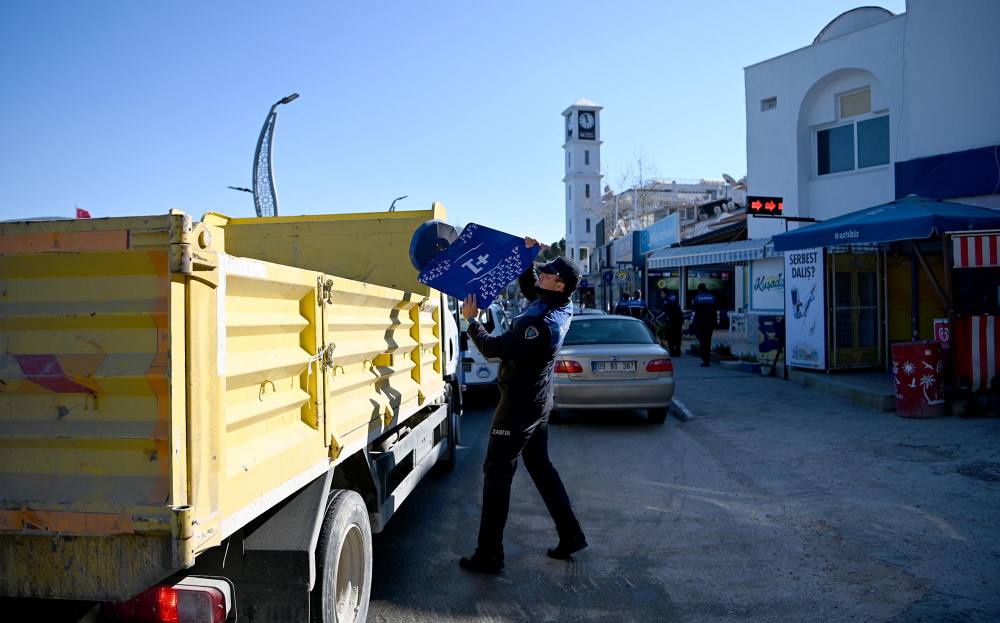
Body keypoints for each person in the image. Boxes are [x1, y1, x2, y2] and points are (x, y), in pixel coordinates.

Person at [459, 240, 587, 574]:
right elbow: (532, 285)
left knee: (497, 474)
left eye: (549, 272)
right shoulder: (558, 303)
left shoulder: (539, 324)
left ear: (560, 284)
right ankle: (571, 535)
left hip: (519, 406)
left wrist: (471, 322)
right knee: (541, 468)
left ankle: (489, 555)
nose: (543, 274)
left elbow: (491, 349)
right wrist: (526, 256)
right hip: (539, 401)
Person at [691, 283, 718, 367]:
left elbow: (694, 313)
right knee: (708, 341)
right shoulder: (713, 298)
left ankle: (705, 360)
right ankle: (707, 359)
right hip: (710, 324)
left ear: (699, 290)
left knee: (702, 342)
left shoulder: (697, 298)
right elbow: (716, 312)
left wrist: (692, 324)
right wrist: (716, 323)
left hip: (700, 324)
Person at [661, 291, 684, 357]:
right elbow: (681, 317)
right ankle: (677, 351)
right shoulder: (677, 307)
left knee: (670, 338)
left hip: (671, 325)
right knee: (678, 338)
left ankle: (672, 352)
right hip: (677, 325)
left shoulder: (668, 307)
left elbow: (665, 313)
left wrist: (666, 322)